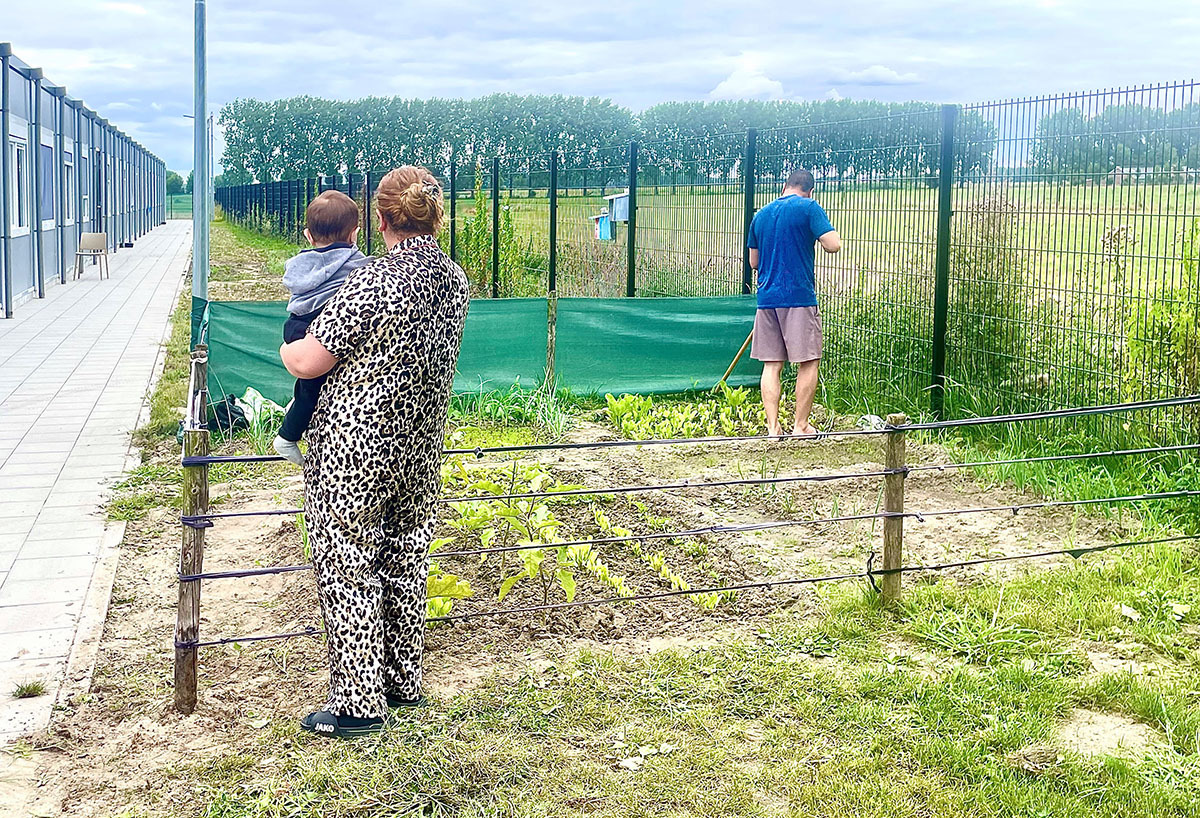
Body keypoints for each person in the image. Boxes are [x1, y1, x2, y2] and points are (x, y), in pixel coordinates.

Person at [279, 166, 470, 739]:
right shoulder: (454, 279)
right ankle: (401, 681)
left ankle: (359, 705)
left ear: (381, 219)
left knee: (347, 565)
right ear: (431, 214)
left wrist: (286, 347)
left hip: (355, 442)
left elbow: (312, 360)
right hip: (420, 439)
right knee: (404, 560)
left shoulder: (375, 281)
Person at [273, 190, 369, 466]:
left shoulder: (300, 265)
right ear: (354, 234)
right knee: (313, 383)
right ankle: (288, 436)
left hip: (295, 324)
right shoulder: (354, 263)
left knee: (309, 384)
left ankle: (297, 407)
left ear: (308, 235)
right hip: (318, 325)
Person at [747, 168, 842, 437]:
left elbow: (754, 262)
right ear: (809, 190)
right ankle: (801, 426)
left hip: (766, 300)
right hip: (798, 297)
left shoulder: (761, 215)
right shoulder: (809, 207)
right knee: (808, 361)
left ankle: (773, 428)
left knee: (772, 364)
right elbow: (833, 244)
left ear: (784, 186)